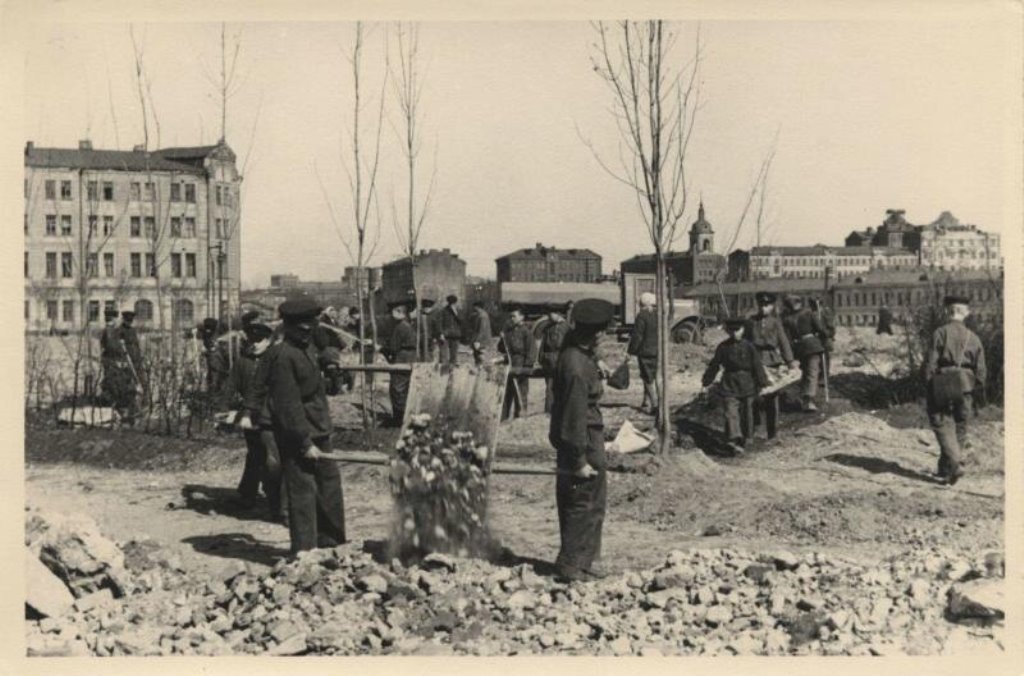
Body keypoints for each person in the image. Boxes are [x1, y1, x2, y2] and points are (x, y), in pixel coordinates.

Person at [263, 297, 346, 553]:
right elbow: (288, 405)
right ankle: (305, 551)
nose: (308, 331)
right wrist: (304, 442)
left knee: (329, 486)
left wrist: (330, 360)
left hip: (319, 426)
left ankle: (332, 543)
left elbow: (329, 346)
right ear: (288, 326)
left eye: (311, 325)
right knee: (302, 493)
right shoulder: (282, 357)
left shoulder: (306, 347)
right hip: (298, 434)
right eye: (302, 327)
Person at [549, 298, 615, 582]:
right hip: (583, 440)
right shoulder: (577, 368)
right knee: (583, 502)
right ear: (598, 332)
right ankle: (574, 567)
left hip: (584, 438)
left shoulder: (574, 353)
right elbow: (574, 416)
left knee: (584, 501)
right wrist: (578, 460)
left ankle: (582, 562)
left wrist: (597, 361)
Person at [223, 322, 286, 522]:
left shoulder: (276, 360)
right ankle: (248, 494)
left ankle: (278, 506)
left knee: (273, 460)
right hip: (250, 416)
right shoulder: (243, 361)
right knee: (255, 454)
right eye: (251, 341)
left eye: (258, 341)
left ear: (268, 341)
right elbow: (230, 385)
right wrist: (226, 409)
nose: (254, 345)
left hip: (272, 416)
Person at [923, 295, 987, 486]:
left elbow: (930, 363)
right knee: (959, 426)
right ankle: (945, 470)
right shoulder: (974, 338)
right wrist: (974, 389)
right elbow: (981, 371)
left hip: (942, 382)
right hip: (966, 385)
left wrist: (928, 384)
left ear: (946, 312)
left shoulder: (940, 333)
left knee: (941, 422)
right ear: (966, 313)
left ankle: (955, 464)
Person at [702, 318, 769, 453]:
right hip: (729, 382)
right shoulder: (723, 347)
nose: (734, 334)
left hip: (747, 382)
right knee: (730, 411)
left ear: (743, 330)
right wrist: (706, 381)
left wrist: (762, 382)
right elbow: (715, 365)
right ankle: (733, 439)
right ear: (727, 331)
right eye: (731, 331)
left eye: (737, 330)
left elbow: (757, 365)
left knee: (747, 412)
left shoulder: (749, 346)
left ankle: (748, 437)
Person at [747, 292, 799, 440]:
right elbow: (745, 342)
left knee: (772, 398)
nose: (764, 308)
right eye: (761, 305)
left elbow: (783, 342)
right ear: (758, 305)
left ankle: (772, 432)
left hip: (772, 361)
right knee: (754, 397)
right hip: (755, 362)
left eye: (767, 305)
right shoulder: (751, 322)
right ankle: (752, 429)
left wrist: (790, 362)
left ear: (772, 306)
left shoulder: (776, 322)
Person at [782, 295, 828, 412]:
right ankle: (808, 400)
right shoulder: (809, 314)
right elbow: (820, 329)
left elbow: (786, 337)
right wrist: (825, 335)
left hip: (797, 348)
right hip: (811, 346)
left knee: (807, 372)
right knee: (812, 372)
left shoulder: (785, 318)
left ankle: (805, 397)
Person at [382, 301, 418, 426]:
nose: (390, 316)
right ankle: (404, 415)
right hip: (410, 356)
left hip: (403, 357)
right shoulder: (407, 325)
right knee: (405, 387)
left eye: (392, 312)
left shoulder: (400, 327)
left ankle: (399, 419)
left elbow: (393, 347)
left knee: (397, 388)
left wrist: (380, 348)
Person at [100, 309, 136, 423]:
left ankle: (120, 409)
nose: (118, 321)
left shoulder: (111, 330)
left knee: (118, 384)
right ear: (113, 319)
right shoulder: (110, 330)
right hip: (113, 363)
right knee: (116, 385)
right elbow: (112, 347)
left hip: (114, 362)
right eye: (116, 318)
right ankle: (118, 410)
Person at [499, 307, 537, 420]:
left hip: (521, 363)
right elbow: (501, 349)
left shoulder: (527, 332)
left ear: (521, 317)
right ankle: (503, 417)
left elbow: (532, 350)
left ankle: (520, 415)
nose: (512, 318)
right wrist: (502, 339)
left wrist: (526, 367)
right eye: (510, 316)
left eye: (514, 316)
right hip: (509, 364)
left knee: (520, 391)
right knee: (507, 391)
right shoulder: (509, 332)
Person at [627, 291, 659, 414]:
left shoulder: (642, 316)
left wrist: (631, 351)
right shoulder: (660, 314)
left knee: (647, 378)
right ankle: (646, 401)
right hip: (658, 351)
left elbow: (637, 336)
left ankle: (655, 405)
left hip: (645, 352)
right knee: (654, 376)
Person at [539, 305, 571, 414]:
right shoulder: (549, 328)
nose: (548, 316)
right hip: (549, 360)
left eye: (550, 314)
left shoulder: (566, 328)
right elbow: (543, 345)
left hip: (561, 359)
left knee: (562, 386)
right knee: (550, 386)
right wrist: (541, 358)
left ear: (558, 313)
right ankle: (549, 410)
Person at [436, 294, 463, 365]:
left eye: (454, 303)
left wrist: (456, 313)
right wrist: (441, 333)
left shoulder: (459, 311)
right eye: (451, 303)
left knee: (454, 357)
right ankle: (443, 373)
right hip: (445, 336)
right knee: (443, 356)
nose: (452, 304)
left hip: (456, 335)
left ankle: (453, 373)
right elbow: (439, 323)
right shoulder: (443, 311)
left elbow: (462, 321)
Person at [470, 301, 493, 366]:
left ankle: (484, 370)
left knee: (481, 356)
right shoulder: (479, 315)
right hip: (480, 340)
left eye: (474, 307)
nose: (473, 308)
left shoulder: (483, 316)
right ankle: (479, 370)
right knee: (477, 356)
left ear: (477, 307)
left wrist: (477, 340)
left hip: (481, 340)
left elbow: (482, 329)